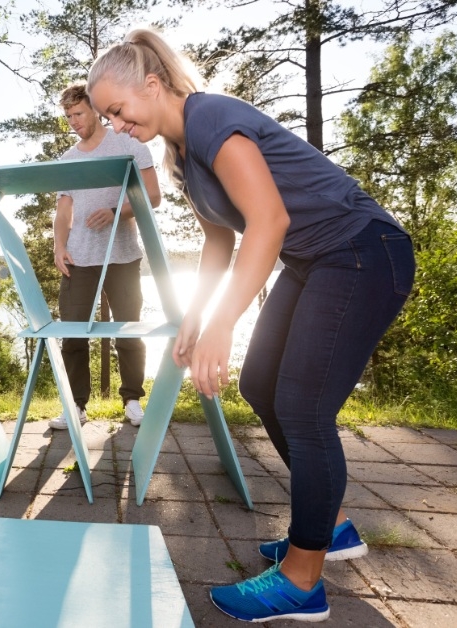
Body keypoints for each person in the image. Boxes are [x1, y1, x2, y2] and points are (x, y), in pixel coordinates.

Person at [88, 29, 415, 623]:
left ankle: (302, 580)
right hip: (315, 258)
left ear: (153, 86)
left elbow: (268, 219)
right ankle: (329, 529)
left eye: (119, 109)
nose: (115, 125)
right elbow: (220, 242)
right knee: (261, 386)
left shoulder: (211, 117)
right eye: (107, 115)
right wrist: (195, 315)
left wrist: (224, 326)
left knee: (303, 408)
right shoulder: (181, 155)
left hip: (363, 251)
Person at [49, 83, 161, 431]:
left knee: (128, 330)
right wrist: (58, 246)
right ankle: (75, 407)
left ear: (95, 110)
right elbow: (63, 209)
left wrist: (116, 211)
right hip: (79, 259)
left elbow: (153, 196)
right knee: (73, 334)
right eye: (68, 116)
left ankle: (132, 400)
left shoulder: (128, 145)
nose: (74, 122)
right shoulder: (68, 160)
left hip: (123, 256)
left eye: (79, 113)